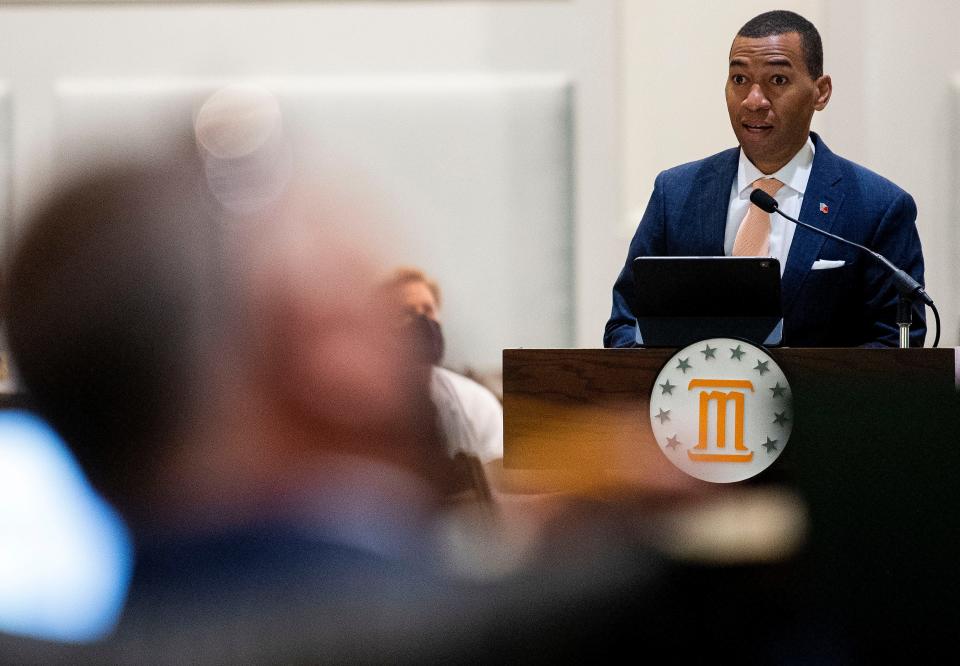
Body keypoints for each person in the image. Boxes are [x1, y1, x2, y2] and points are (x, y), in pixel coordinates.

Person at [604, 10, 926, 348]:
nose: (754, 101)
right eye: (739, 80)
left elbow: (896, 345)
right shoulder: (676, 193)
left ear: (821, 92)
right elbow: (625, 323)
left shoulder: (878, 207)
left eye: (778, 81)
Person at [384, 267, 504, 466]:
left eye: (428, 310)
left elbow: (499, 486)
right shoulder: (357, 411)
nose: (421, 321)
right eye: (406, 312)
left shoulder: (475, 404)